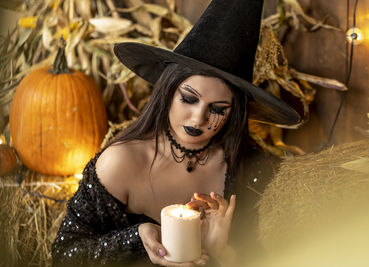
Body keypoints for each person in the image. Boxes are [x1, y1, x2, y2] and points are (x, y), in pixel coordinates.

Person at [51, 0, 301, 266]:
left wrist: (222, 251)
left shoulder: (249, 166)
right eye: (189, 99)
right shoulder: (120, 163)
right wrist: (136, 238)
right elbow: (65, 255)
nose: (198, 118)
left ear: (233, 113)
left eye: (217, 108)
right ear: (168, 92)